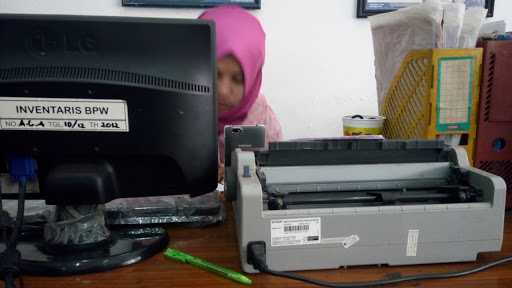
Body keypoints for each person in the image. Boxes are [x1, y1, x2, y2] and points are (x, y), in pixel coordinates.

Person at [199, 6, 283, 180]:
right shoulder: (174, 112)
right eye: (214, 75)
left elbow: (274, 183)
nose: (223, 91)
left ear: (253, 79)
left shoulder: (264, 124)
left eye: (237, 79)